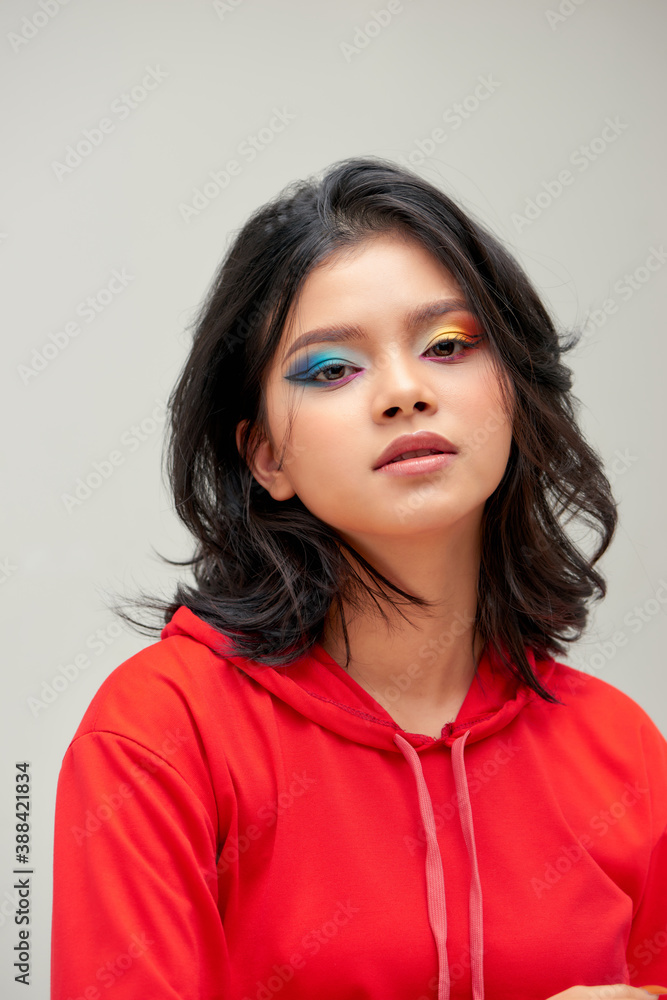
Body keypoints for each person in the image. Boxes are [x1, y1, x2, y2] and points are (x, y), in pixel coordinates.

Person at [50, 157, 667, 1000]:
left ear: (513, 395)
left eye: (447, 346)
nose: (405, 391)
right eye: (332, 369)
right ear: (266, 456)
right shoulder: (160, 734)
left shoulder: (625, 754)